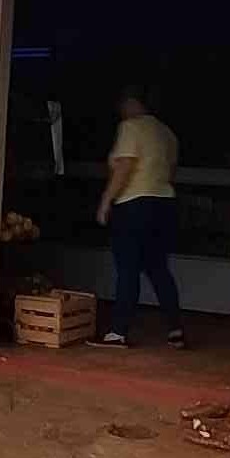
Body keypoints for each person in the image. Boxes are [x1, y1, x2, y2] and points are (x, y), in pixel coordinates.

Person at [96, 84, 184, 348]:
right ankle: (175, 329)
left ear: (132, 103)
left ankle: (118, 331)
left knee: (128, 269)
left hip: (134, 205)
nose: (121, 111)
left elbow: (125, 166)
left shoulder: (130, 128)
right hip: (164, 203)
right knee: (159, 269)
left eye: (123, 105)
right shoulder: (167, 133)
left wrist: (106, 201)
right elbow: (171, 171)